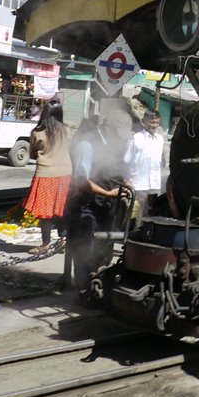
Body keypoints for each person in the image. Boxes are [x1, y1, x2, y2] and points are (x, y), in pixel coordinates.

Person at [65, 110, 132, 295]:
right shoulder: (88, 144)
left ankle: (98, 285)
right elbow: (80, 180)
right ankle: (83, 291)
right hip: (85, 209)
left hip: (105, 208)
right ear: (107, 127)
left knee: (104, 253)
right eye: (118, 134)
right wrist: (107, 193)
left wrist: (127, 183)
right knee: (85, 254)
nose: (120, 139)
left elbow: (117, 171)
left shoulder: (113, 147)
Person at [23, 101, 73, 255]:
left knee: (45, 213)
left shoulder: (37, 132)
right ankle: (63, 239)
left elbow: (32, 154)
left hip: (45, 175)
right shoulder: (68, 129)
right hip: (65, 174)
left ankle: (45, 244)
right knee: (60, 209)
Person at [123, 109, 166, 225]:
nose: (154, 126)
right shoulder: (136, 139)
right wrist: (127, 181)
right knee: (137, 222)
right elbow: (125, 162)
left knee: (152, 220)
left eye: (157, 123)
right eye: (151, 122)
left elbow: (161, 162)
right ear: (144, 122)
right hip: (138, 186)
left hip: (154, 188)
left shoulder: (160, 140)